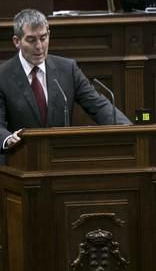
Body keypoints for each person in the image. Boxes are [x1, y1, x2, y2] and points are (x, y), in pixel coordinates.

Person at [0, 9, 131, 160]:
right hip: (20, 160)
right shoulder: (3, 76)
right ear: (17, 41)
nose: (39, 46)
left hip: (60, 160)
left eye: (43, 38)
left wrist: (129, 130)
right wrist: (8, 139)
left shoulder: (67, 69)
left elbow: (98, 105)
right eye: (31, 40)